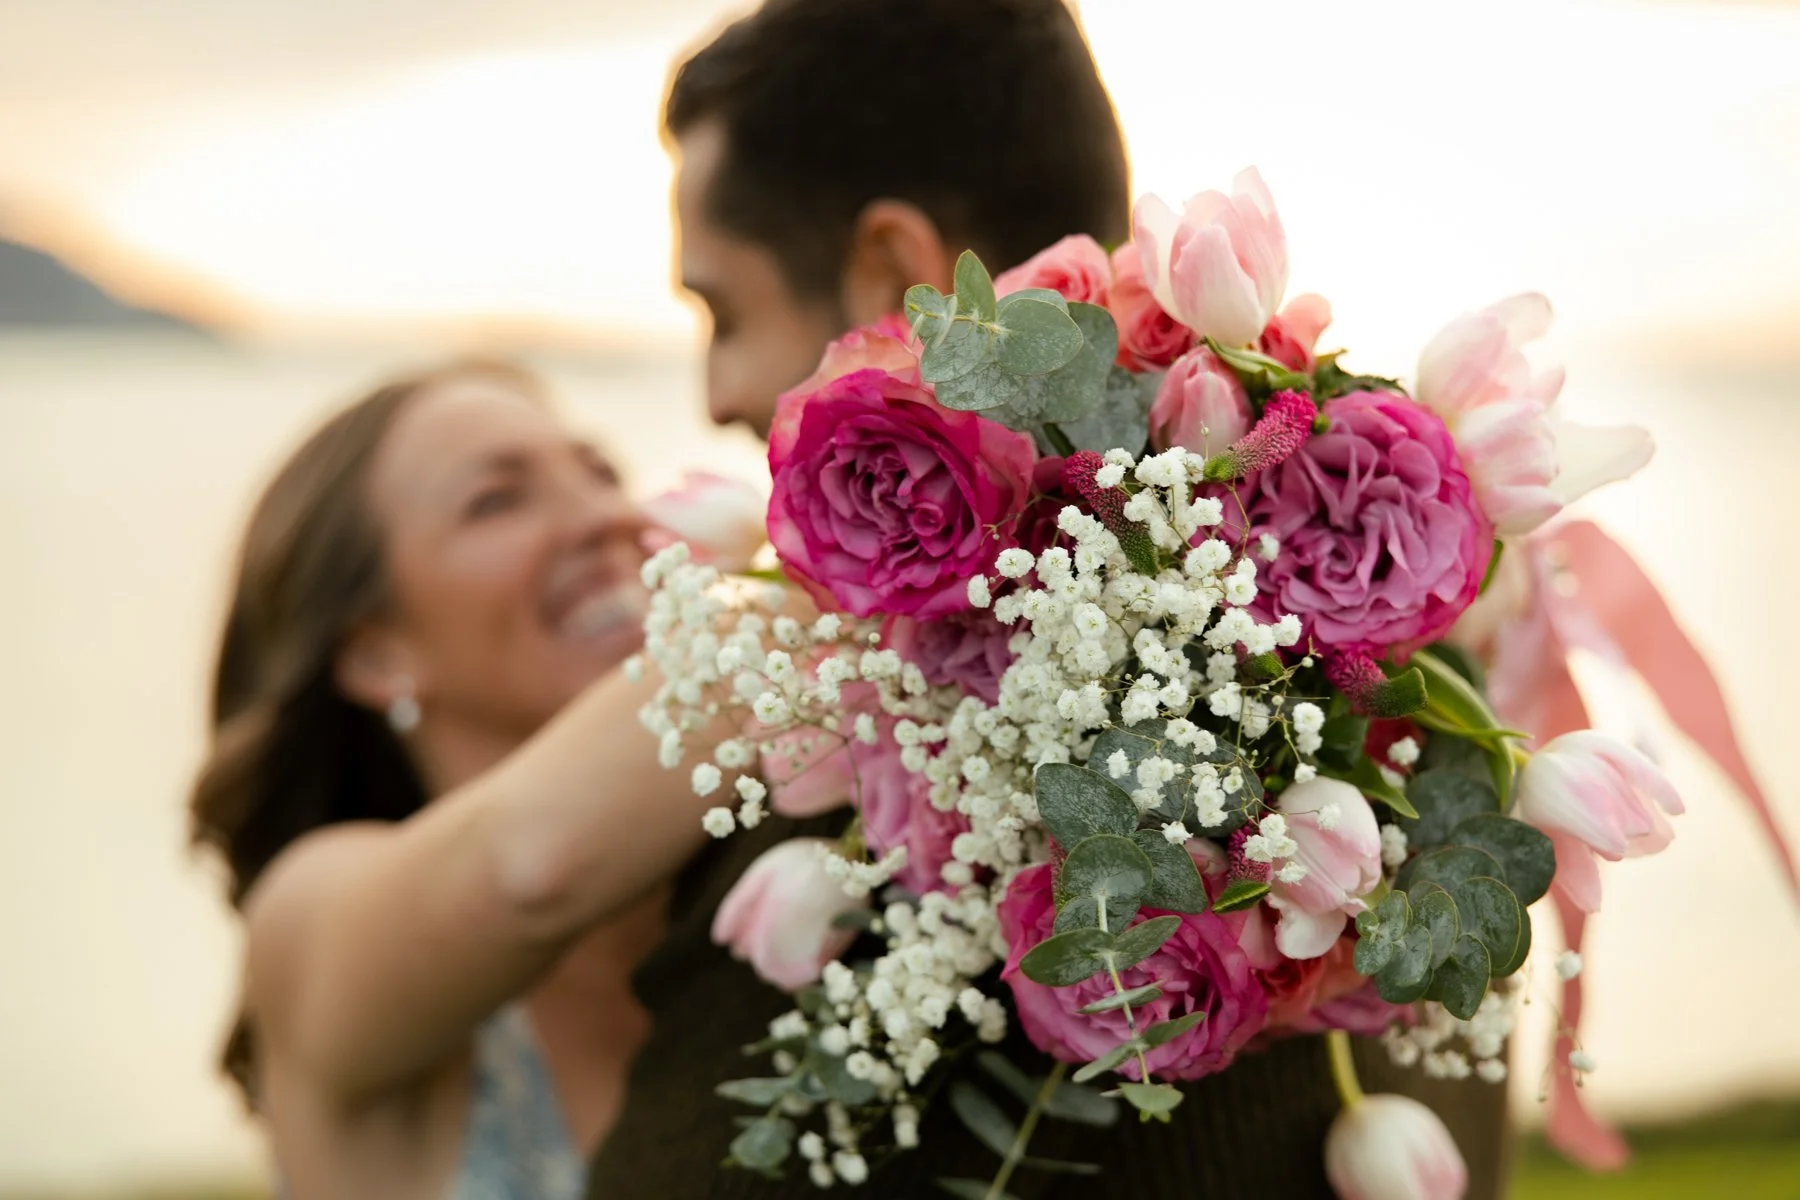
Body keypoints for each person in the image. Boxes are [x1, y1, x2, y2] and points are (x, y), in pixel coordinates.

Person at [585, 2, 1509, 1197]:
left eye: (724, 311)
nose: (715, 393)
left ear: (896, 273)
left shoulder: (919, 887)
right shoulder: (1436, 809)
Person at [189, 361, 744, 1200]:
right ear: (377, 653)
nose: (608, 516)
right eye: (498, 500)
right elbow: (532, 867)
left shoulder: (800, 880)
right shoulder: (310, 923)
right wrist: (865, 584)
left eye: (600, 472)